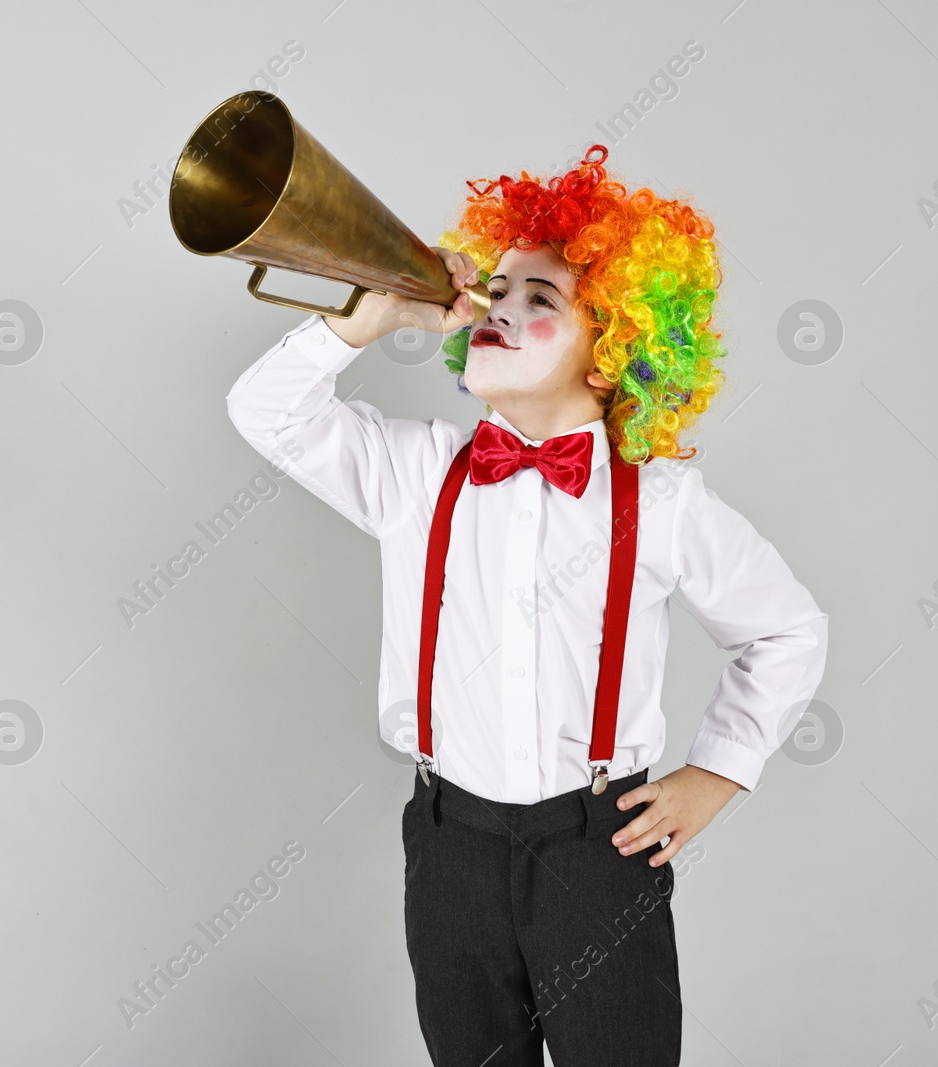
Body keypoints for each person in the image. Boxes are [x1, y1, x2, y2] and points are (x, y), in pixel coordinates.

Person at [224, 145, 829, 1065]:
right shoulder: (418, 471)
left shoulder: (659, 502)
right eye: (498, 293)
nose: (502, 309)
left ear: (612, 356)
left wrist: (719, 773)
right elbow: (265, 412)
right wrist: (367, 317)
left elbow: (789, 628)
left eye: (540, 302)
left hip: (598, 848)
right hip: (447, 842)